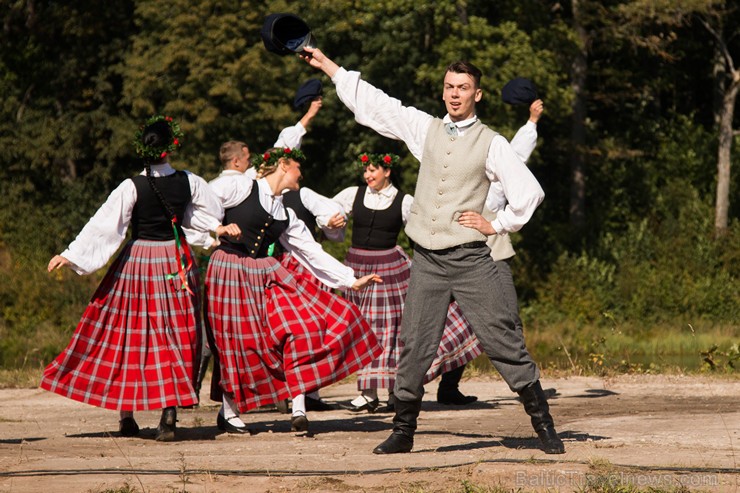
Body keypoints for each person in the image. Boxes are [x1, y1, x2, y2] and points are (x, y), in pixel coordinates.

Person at [300, 48, 565, 455]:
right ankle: (403, 431)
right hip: (426, 259)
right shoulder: (426, 129)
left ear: (478, 94)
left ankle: (544, 426)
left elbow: (530, 193)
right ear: (443, 93)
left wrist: (497, 224)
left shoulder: (491, 143)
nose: (455, 94)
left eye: (463, 88)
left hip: (471, 260)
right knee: (415, 344)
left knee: (503, 340)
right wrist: (330, 67)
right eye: (449, 87)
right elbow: (378, 105)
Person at [40, 115, 238, 441]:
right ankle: (169, 414)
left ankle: (127, 415)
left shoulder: (132, 185)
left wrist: (72, 254)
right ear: (171, 147)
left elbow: (106, 226)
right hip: (175, 263)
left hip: (139, 261)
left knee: (129, 333)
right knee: (174, 336)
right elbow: (209, 213)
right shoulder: (191, 181)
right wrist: (211, 230)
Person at [203, 145, 382, 434]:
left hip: (262, 271)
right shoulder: (239, 184)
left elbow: (310, 250)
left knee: (299, 326)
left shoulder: (284, 212)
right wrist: (215, 228)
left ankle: (295, 401)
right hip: (229, 268)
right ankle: (228, 410)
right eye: (298, 167)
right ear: (284, 165)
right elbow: (200, 203)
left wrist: (349, 279)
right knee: (235, 341)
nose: (301, 173)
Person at [332, 152, 481, 413]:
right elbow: (329, 221)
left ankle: (394, 392)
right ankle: (367, 393)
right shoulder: (351, 195)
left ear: (387, 172)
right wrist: (333, 222)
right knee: (362, 327)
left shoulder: (404, 201)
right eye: (365, 170)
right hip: (356, 268)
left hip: (389, 268)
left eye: (373, 170)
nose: (368, 175)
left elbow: (420, 232)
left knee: (391, 330)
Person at [436, 97, 544, 405]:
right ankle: (443, 386)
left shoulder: (492, 171)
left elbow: (516, 155)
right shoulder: (449, 170)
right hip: (455, 252)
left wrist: (532, 122)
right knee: (448, 322)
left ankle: (526, 383)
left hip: (493, 252)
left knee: (508, 317)